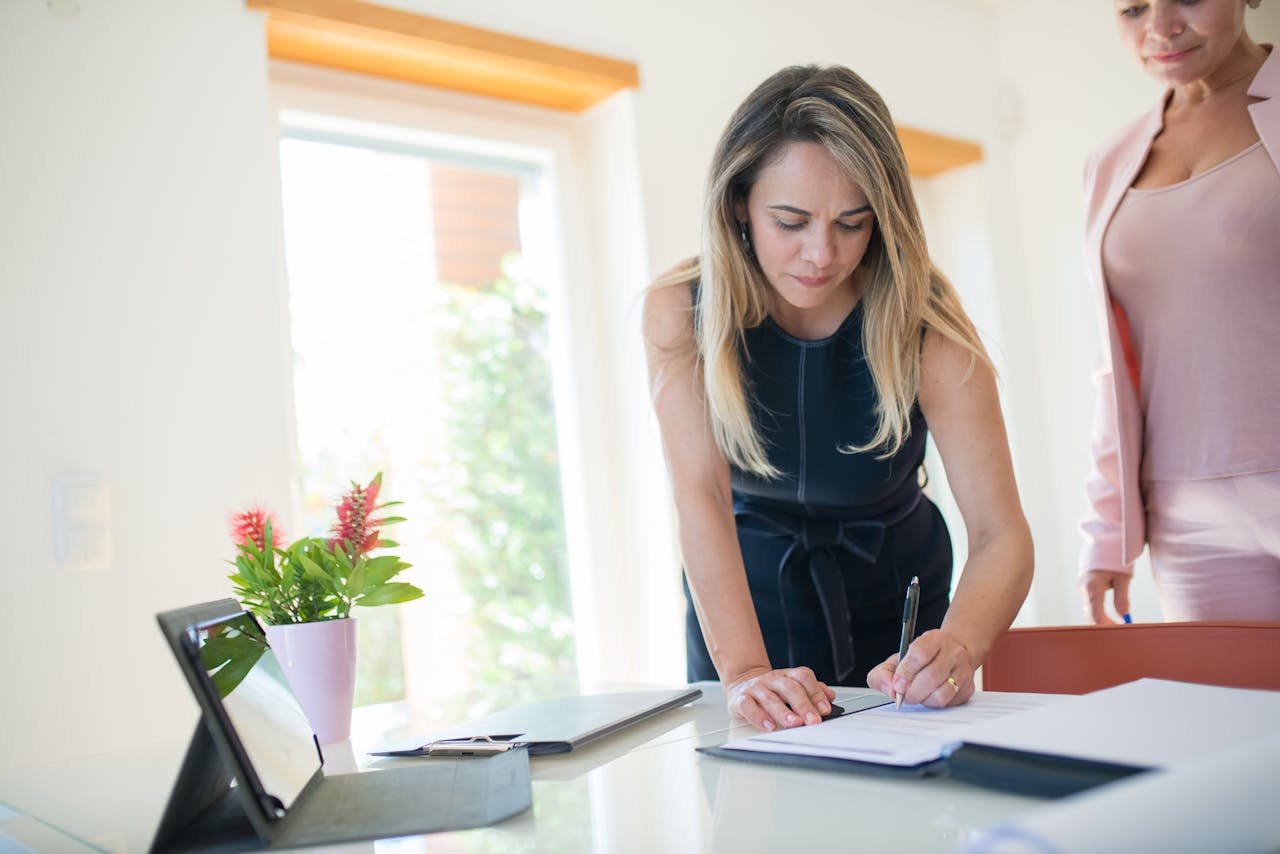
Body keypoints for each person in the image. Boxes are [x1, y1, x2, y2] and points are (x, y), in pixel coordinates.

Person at [643, 64, 1033, 731]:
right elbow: (700, 496)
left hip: (895, 619)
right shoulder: (681, 309)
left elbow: (1002, 534)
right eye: (790, 221)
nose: (821, 254)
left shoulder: (929, 331)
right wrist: (743, 673)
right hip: (744, 615)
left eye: (852, 224)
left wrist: (961, 644)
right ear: (739, 203)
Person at [1080, 0, 1280, 624]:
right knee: (1225, 719)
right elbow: (1116, 365)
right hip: (1186, 520)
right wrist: (1107, 529)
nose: (1160, 29)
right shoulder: (1109, 163)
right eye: (1133, 9)